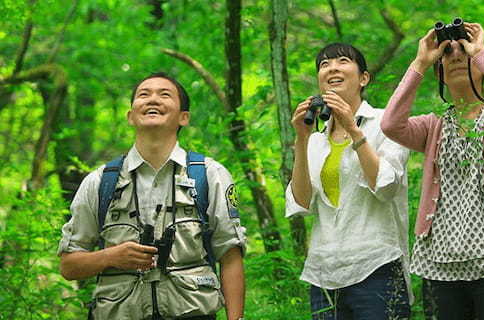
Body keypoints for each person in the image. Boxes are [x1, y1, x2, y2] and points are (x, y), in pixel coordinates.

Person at [381, 22, 484, 319]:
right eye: (448, 53)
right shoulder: (432, 127)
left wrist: (481, 51)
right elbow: (391, 124)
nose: (456, 56)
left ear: (482, 68)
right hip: (442, 260)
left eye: (464, 52)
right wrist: (420, 62)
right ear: (439, 72)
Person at [58, 73, 246, 320]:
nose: (153, 100)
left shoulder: (210, 175)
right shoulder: (100, 181)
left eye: (165, 94)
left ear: (184, 117)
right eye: (143, 94)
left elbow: (230, 257)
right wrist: (111, 256)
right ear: (130, 115)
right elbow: (69, 266)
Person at [286, 43, 411, 320]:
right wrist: (301, 139)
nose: (332, 68)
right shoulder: (315, 140)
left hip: (376, 266)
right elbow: (300, 202)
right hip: (324, 272)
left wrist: (353, 130)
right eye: (324, 65)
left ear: (363, 78)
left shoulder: (386, 124)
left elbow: (386, 187)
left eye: (342, 61)